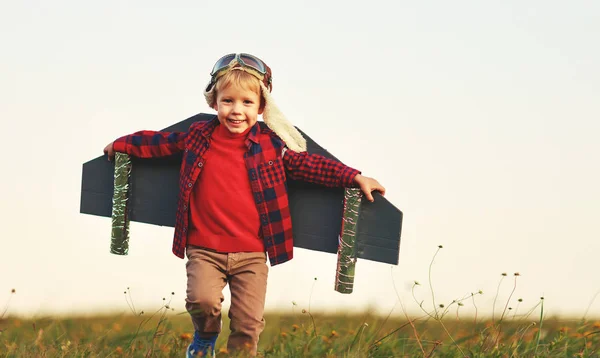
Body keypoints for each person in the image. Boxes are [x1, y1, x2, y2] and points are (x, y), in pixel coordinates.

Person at [103, 53, 385, 357]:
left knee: (248, 324)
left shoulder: (270, 145)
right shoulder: (199, 137)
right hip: (203, 248)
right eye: (228, 101)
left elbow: (309, 166)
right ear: (214, 102)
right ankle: (205, 338)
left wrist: (353, 176)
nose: (237, 111)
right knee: (201, 302)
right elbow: (159, 143)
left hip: (251, 253)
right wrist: (122, 144)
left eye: (247, 103)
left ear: (262, 107)